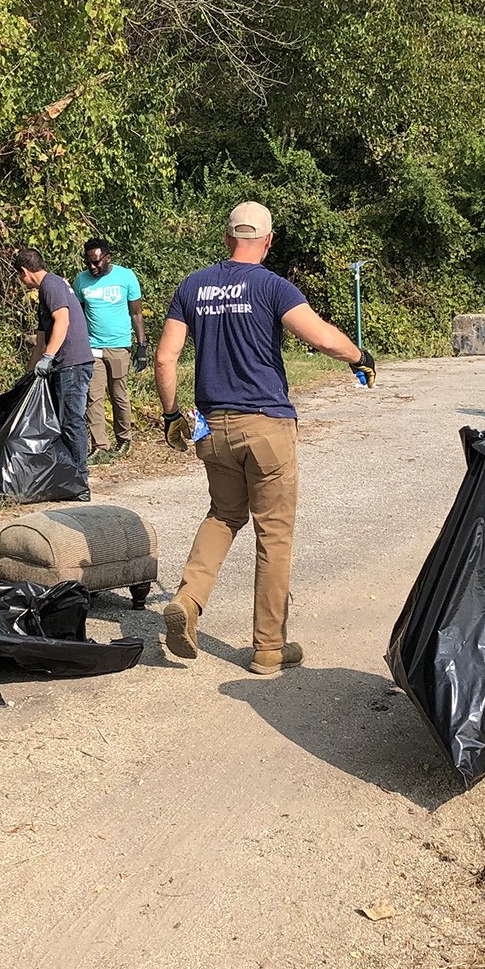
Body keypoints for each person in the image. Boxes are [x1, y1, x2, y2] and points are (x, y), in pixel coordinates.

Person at [152, 202, 375, 676]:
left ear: (227, 236)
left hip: (213, 429)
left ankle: (188, 602)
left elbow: (164, 359)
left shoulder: (192, 286)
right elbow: (324, 340)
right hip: (267, 426)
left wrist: (172, 415)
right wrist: (359, 357)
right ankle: (269, 648)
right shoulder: (272, 286)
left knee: (223, 515)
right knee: (273, 534)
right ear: (268, 241)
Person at [14, 247, 96, 491]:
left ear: (24, 271)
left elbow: (62, 319)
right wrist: (30, 373)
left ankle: (80, 479)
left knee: (71, 420)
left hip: (72, 363)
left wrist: (49, 357)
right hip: (63, 365)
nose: (21, 281)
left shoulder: (52, 285)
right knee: (60, 421)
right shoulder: (46, 291)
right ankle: (67, 473)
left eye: (19, 276)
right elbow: (41, 339)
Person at [71, 238, 147, 462]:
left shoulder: (126, 277)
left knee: (118, 394)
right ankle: (100, 446)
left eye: (96, 262)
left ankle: (124, 440)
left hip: (118, 346)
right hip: (92, 347)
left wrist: (142, 346)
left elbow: (136, 314)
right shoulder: (81, 281)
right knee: (93, 397)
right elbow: (78, 315)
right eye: (88, 263)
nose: (92, 267)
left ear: (107, 258)